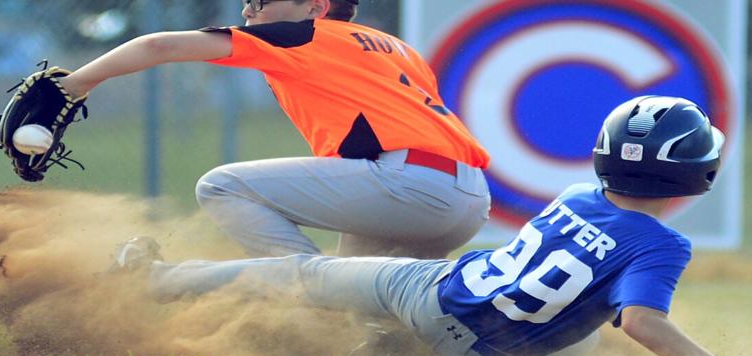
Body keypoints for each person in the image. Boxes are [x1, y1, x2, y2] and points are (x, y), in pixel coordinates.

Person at [112, 96, 744, 356]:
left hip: (432, 295)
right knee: (586, 339)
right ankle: (384, 347)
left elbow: (623, 304)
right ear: (698, 175)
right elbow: (640, 321)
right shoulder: (664, 245)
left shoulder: (577, 196)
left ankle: (159, 280)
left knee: (301, 275)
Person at [56, 0, 492, 259]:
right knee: (363, 310)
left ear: (315, 8)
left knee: (222, 186)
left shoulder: (305, 35)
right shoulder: (397, 49)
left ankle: (306, 289)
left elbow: (158, 45)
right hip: (466, 197)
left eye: (261, 0)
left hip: (407, 185)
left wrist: (73, 85)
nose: (248, 10)